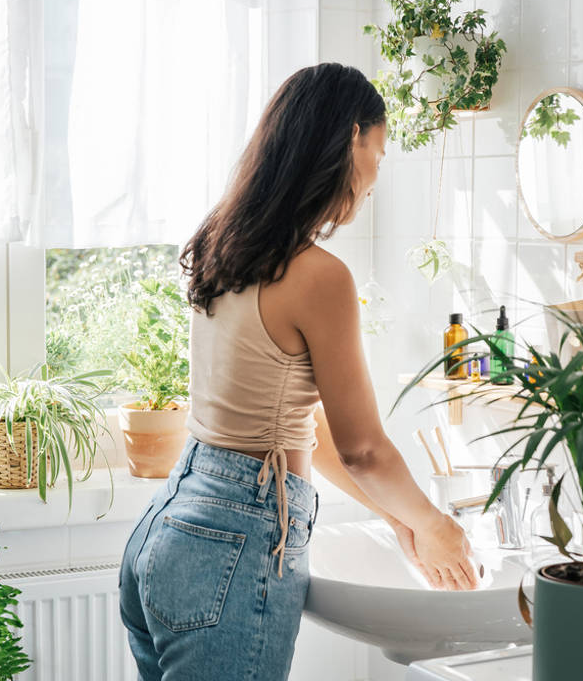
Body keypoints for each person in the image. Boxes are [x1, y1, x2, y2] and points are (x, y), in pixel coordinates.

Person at [118, 62, 477, 681]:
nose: (375, 178)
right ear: (351, 140)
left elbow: (302, 435)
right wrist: (437, 525)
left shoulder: (223, 242)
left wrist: (400, 521)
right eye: (380, 153)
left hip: (170, 526)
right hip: (232, 545)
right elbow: (364, 449)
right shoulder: (319, 276)